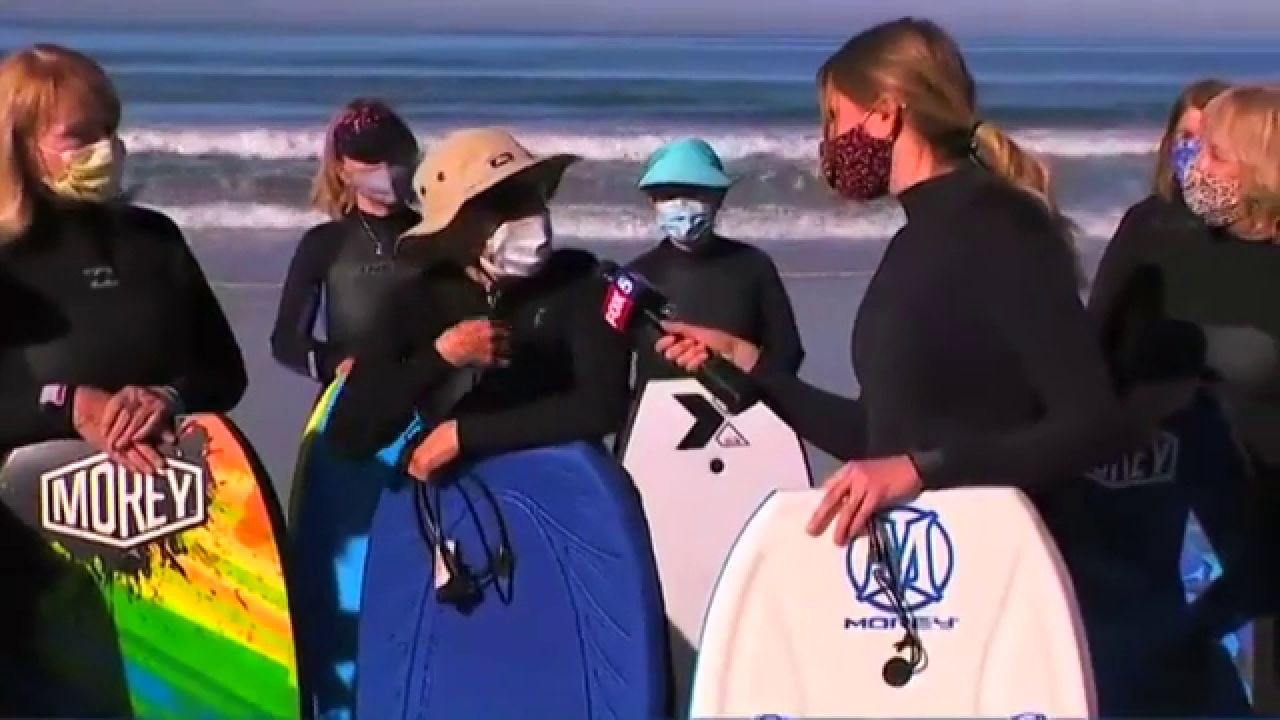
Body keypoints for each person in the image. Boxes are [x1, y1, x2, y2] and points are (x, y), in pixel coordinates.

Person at [654, 18, 1212, 717]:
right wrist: (755, 369)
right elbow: (882, 435)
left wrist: (922, 469)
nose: (826, 143)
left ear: (886, 115)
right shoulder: (915, 239)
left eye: (834, 118)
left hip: (996, 587)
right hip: (912, 593)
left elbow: (1089, 424)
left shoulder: (1002, 229)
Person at [0, 44, 246, 715]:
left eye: (110, 129)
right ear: (19, 144)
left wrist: (166, 396)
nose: (105, 148)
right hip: (23, 556)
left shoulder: (153, 240)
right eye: (80, 136)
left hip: (168, 539)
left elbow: (224, 370)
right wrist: (69, 404)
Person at [1089, 84, 1280, 711]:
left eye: (1218, 153)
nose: (1197, 163)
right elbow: (1097, 354)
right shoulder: (1160, 234)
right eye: (1193, 145)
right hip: (1169, 522)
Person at [326, 127, 630, 475]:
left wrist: (465, 435)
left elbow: (603, 406)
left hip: (561, 494)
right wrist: (442, 357)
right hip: (459, 507)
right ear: (454, 227)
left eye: (533, 196)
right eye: (503, 203)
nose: (529, 216)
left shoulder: (577, 278)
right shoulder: (418, 300)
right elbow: (348, 434)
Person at [627, 138, 803, 389]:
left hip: (741, 411)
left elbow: (787, 353)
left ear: (719, 198)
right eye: (669, 195)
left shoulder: (753, 266)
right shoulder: (637, 277)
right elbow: (610, 379)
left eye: (695, 193)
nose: (682, 205)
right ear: (653, 202)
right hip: (660, 418)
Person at [270, 98, 420, 385]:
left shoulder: (441, 235)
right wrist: (332, 363)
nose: (385, 167)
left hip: (430, 402)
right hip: (353, 402)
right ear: (342, 169)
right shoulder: (324, 244)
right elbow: (286, 341)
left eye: (394, 155)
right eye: (370, 159)